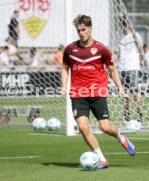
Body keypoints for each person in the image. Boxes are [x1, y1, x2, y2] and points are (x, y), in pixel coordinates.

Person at [60, 15, 136, 169]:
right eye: (78, 30)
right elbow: (65, 68)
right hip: (78, 94)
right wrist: (63, 86)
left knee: (105, 127)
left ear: (90, 29)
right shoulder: (70, 49)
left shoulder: (101, 49)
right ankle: (102, 159)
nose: (81, 33)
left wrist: (120, 88)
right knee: (82, 126)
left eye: (83, 30)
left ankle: (122, 138)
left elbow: (112, 69)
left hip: (98, 92)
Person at [117, 21, 143, 122]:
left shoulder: (135, 36)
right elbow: (119, 53)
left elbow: (141, 50)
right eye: (122, 25)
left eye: (126, 25)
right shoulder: (119, 37)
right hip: (122, 68)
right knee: (125, 93)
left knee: (135, 92)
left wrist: (139, 63)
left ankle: (140, 114)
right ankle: (126, 116)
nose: (124, 27)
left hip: (132, 67)